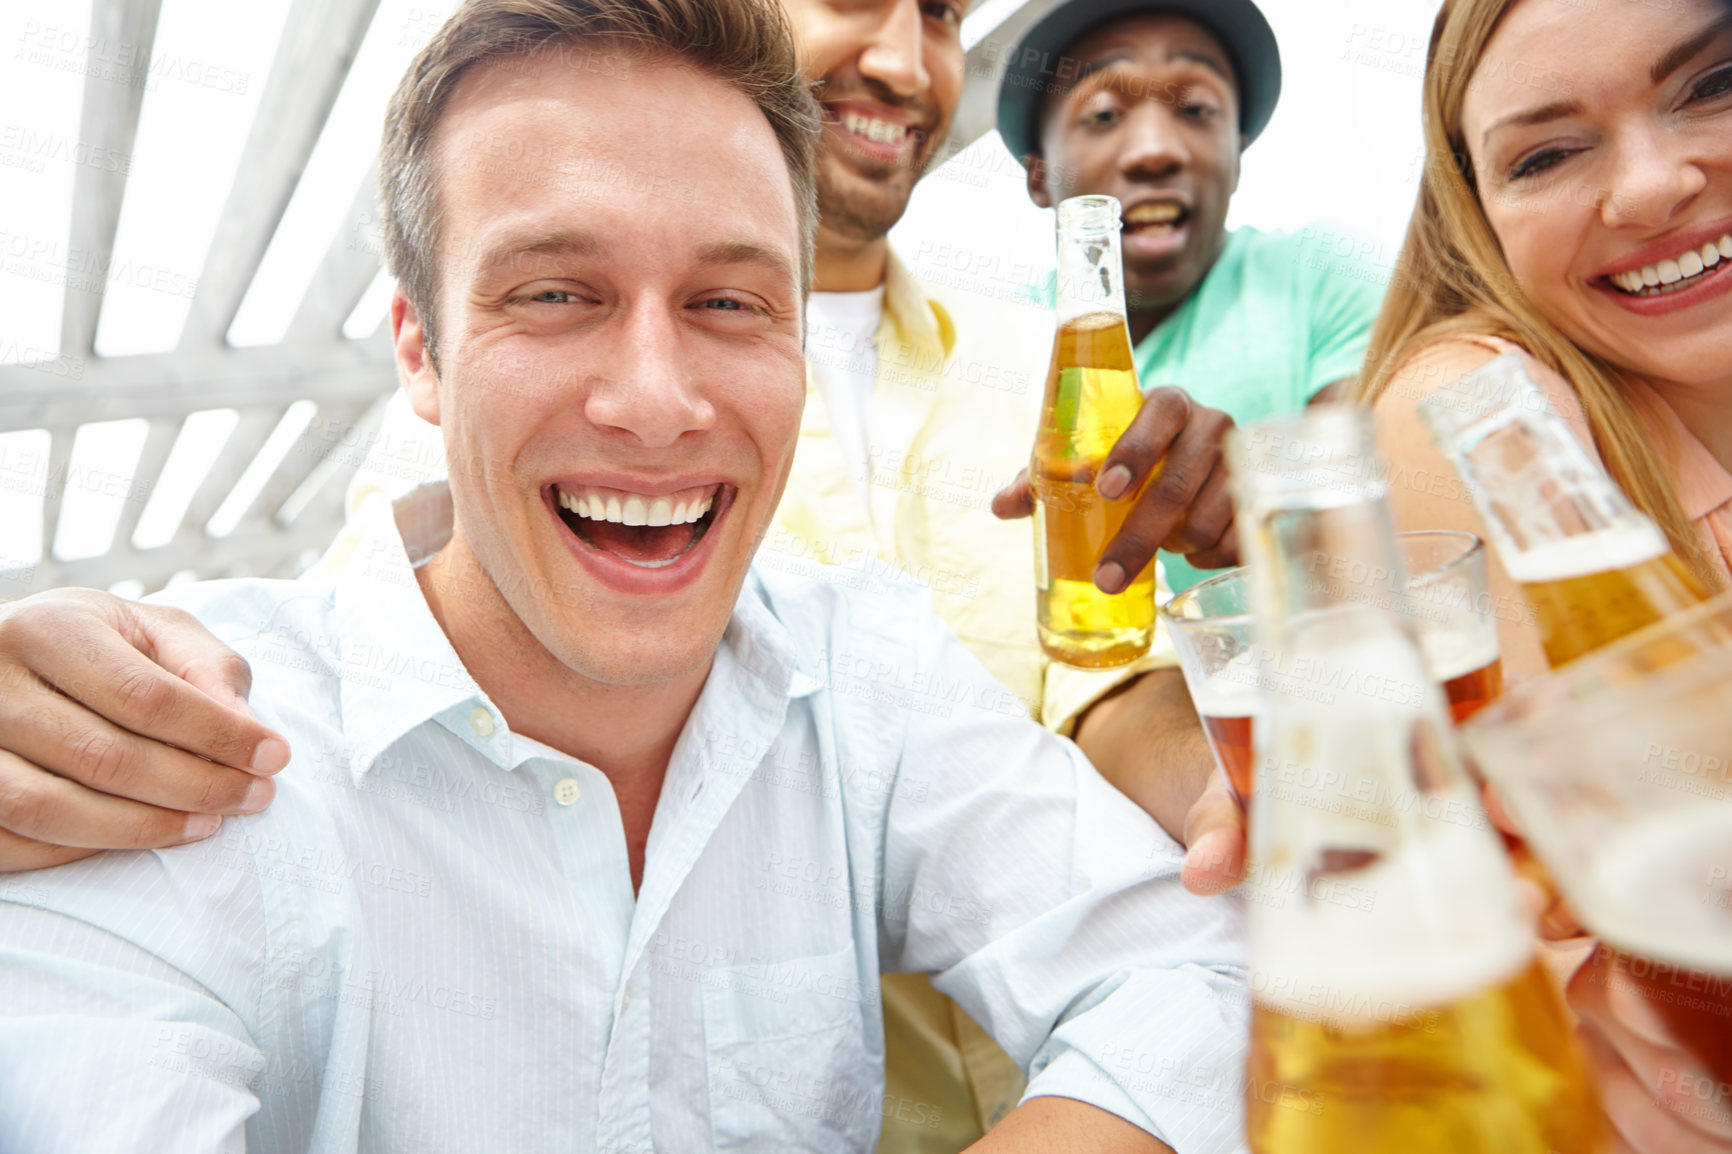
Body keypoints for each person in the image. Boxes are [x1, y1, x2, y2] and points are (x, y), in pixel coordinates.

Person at [0, 1, 1263, 1147]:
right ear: (420, 354)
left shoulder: (865, 666)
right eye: (554, 293)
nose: (655, 403)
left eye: (729, 302)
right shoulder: (189, 770)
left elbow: (1190, 963)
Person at [1360, 0, 1730, 1149]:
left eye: (1710, 84)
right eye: (1547, 154)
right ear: (1476, 221)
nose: (1650, 186)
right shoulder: (1476, 407)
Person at [983, 0, 1389, 897]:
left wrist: (1263, 532)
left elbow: (1370, 541)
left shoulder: (1320, 278)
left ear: (1239, 153)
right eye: (1103, 113)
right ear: (1041, 178)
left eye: (1198, 109)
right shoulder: (997, 349)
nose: (1157, 147)